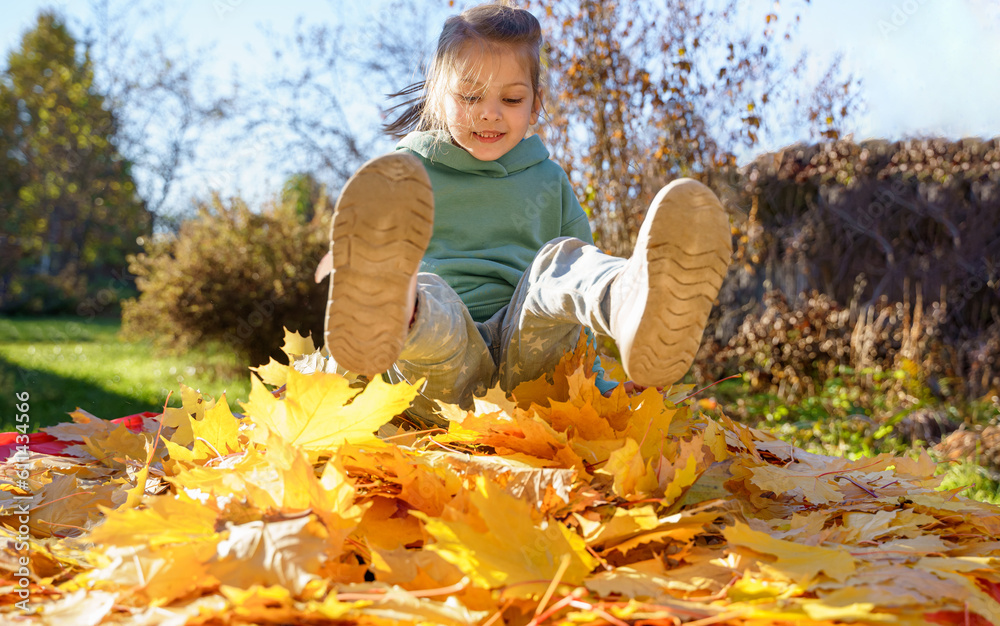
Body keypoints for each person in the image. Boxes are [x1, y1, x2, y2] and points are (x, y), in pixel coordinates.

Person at [315, 1, 732, 413]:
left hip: (533, 367)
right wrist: (327, 380)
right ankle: (403, 312)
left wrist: (603, 389)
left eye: (512, 100)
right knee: (423, 292)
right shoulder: (404, 177)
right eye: (471, 96)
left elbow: (573, 298)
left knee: (560, 262)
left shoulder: (549, 181)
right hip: (442, 371)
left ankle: (631, 305)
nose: (491, 113)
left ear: (536, 103)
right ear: (437, 96)